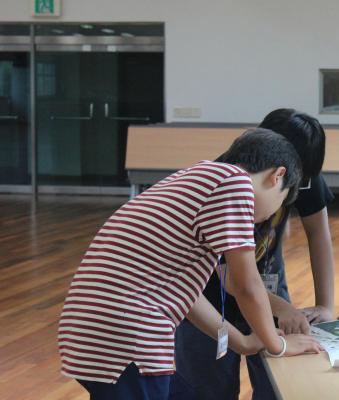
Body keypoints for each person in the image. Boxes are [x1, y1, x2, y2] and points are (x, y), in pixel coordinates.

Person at [57, 129, 322, 400]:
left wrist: (242, 342)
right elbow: (247, 286)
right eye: (281, 199)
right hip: (128, 337)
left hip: (91, 329)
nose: (271, 214)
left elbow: (187, 297)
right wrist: (278, 345)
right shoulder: (237, 185)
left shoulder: (200, 178)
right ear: (277, 176)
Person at [175, 109, 335, 400]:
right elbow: (233, 280)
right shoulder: (225, 184)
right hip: (208, 298)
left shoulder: (302, 169)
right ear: (276, 171)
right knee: (208, 387)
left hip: (265, 284)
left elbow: (318, 233)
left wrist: (324, 304)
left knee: (279, 383)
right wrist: (279, 320)